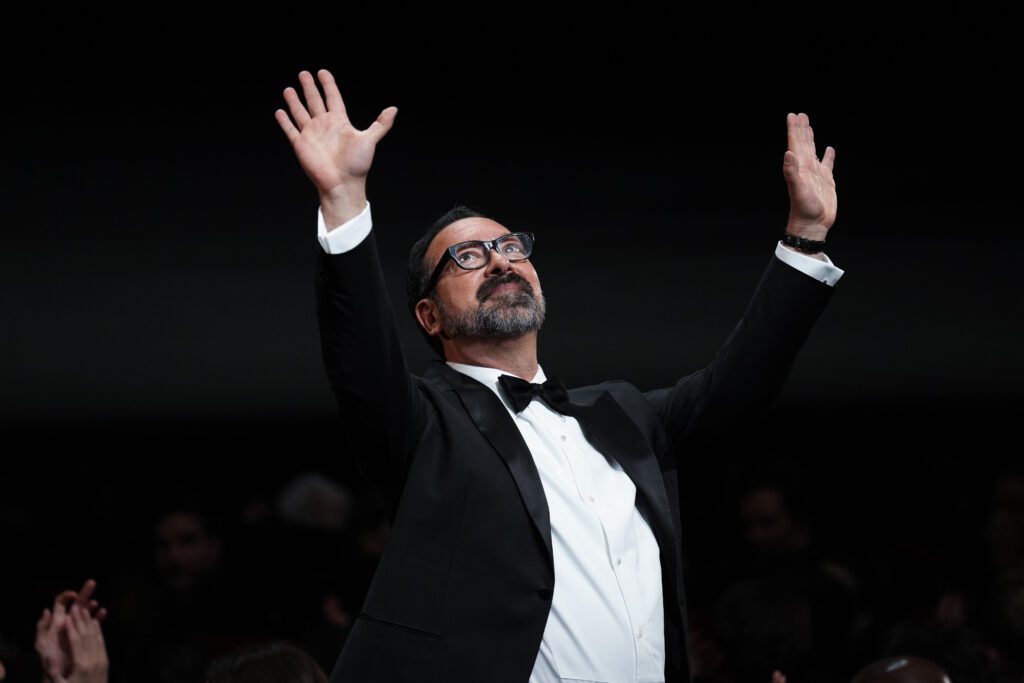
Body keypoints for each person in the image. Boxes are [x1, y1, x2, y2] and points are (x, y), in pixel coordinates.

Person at [275, 68, 844, 683]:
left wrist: (805, 240)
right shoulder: (424, 426)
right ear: (430, 316)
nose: (499, 260)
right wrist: (342, 201)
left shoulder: (623, 414)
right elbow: (359, 357)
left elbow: (741, 386)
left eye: (512, 247)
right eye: (467, 257)